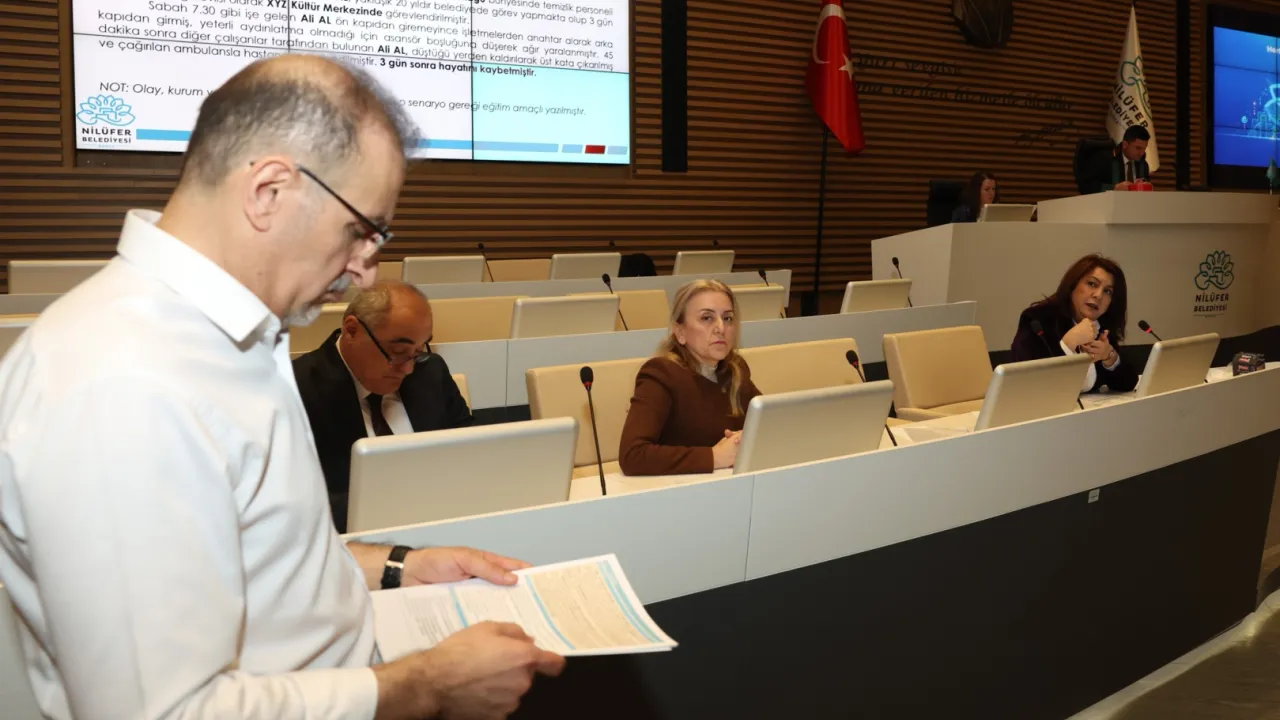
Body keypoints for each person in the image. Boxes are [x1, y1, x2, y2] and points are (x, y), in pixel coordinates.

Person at [0, 55, 563, 720]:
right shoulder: (122, 381)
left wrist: (398, 566)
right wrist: (426, 685)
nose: (364, 272)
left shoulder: (225, 339)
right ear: (269, 191)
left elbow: (256, 557)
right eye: (360, 232)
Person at [294, 279, 473, 532]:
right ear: (352, 330)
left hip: (448, 527)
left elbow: (471, 456)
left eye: (417, 352)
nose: (408, 369)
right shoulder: (295, 391)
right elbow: (295, 508)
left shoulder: (430, 372)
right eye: (398, 352)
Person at [618, 279, 762, 476]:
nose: (721, 328)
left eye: (727, 318)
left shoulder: (735, 370)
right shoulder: (662, 373)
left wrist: (744, 437)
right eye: (707, 318)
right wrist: (714, 457)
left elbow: (767, 423)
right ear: (680, 332)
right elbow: (632, 455)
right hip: (675, 489)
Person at [1010, 254, 1139, 393]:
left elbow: (1128, 383)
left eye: (1107, 291)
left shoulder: (1100, 327)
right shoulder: (1038, 319)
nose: (1098, 295)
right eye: (1092, 284)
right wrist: (1067, 344)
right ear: (1073, 284)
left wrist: (1109, 356)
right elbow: (1030, 381)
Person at [1084, 125, 1153, 194]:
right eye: (1138, 148)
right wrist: (1114, 188)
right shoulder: (1106, 160)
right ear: (1125, 145)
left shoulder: (1143, 164)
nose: (1142, 153)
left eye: (1144, 149)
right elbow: (1088, 186)